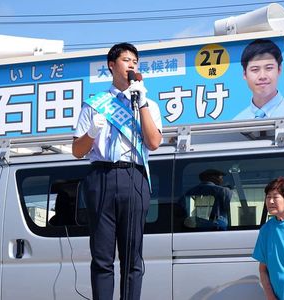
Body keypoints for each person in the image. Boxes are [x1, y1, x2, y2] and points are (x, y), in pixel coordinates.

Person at [72, 42, 162, 300]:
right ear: (112, 66)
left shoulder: (148, 104)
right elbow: (77, 150)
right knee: (102, 257)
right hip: (100, 177)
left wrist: (141, 102)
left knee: (132, 256)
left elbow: (153, 143)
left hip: (134, 177)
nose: (132, 65)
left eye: (135, 61)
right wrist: (91, 134)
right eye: (126, 60)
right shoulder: (94, 104)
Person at [234, 39, 284, 120]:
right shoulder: (237, 121)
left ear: (279, 70)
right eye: (255, 69)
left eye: (269, 68)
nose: (262, 76)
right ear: (245, 74)